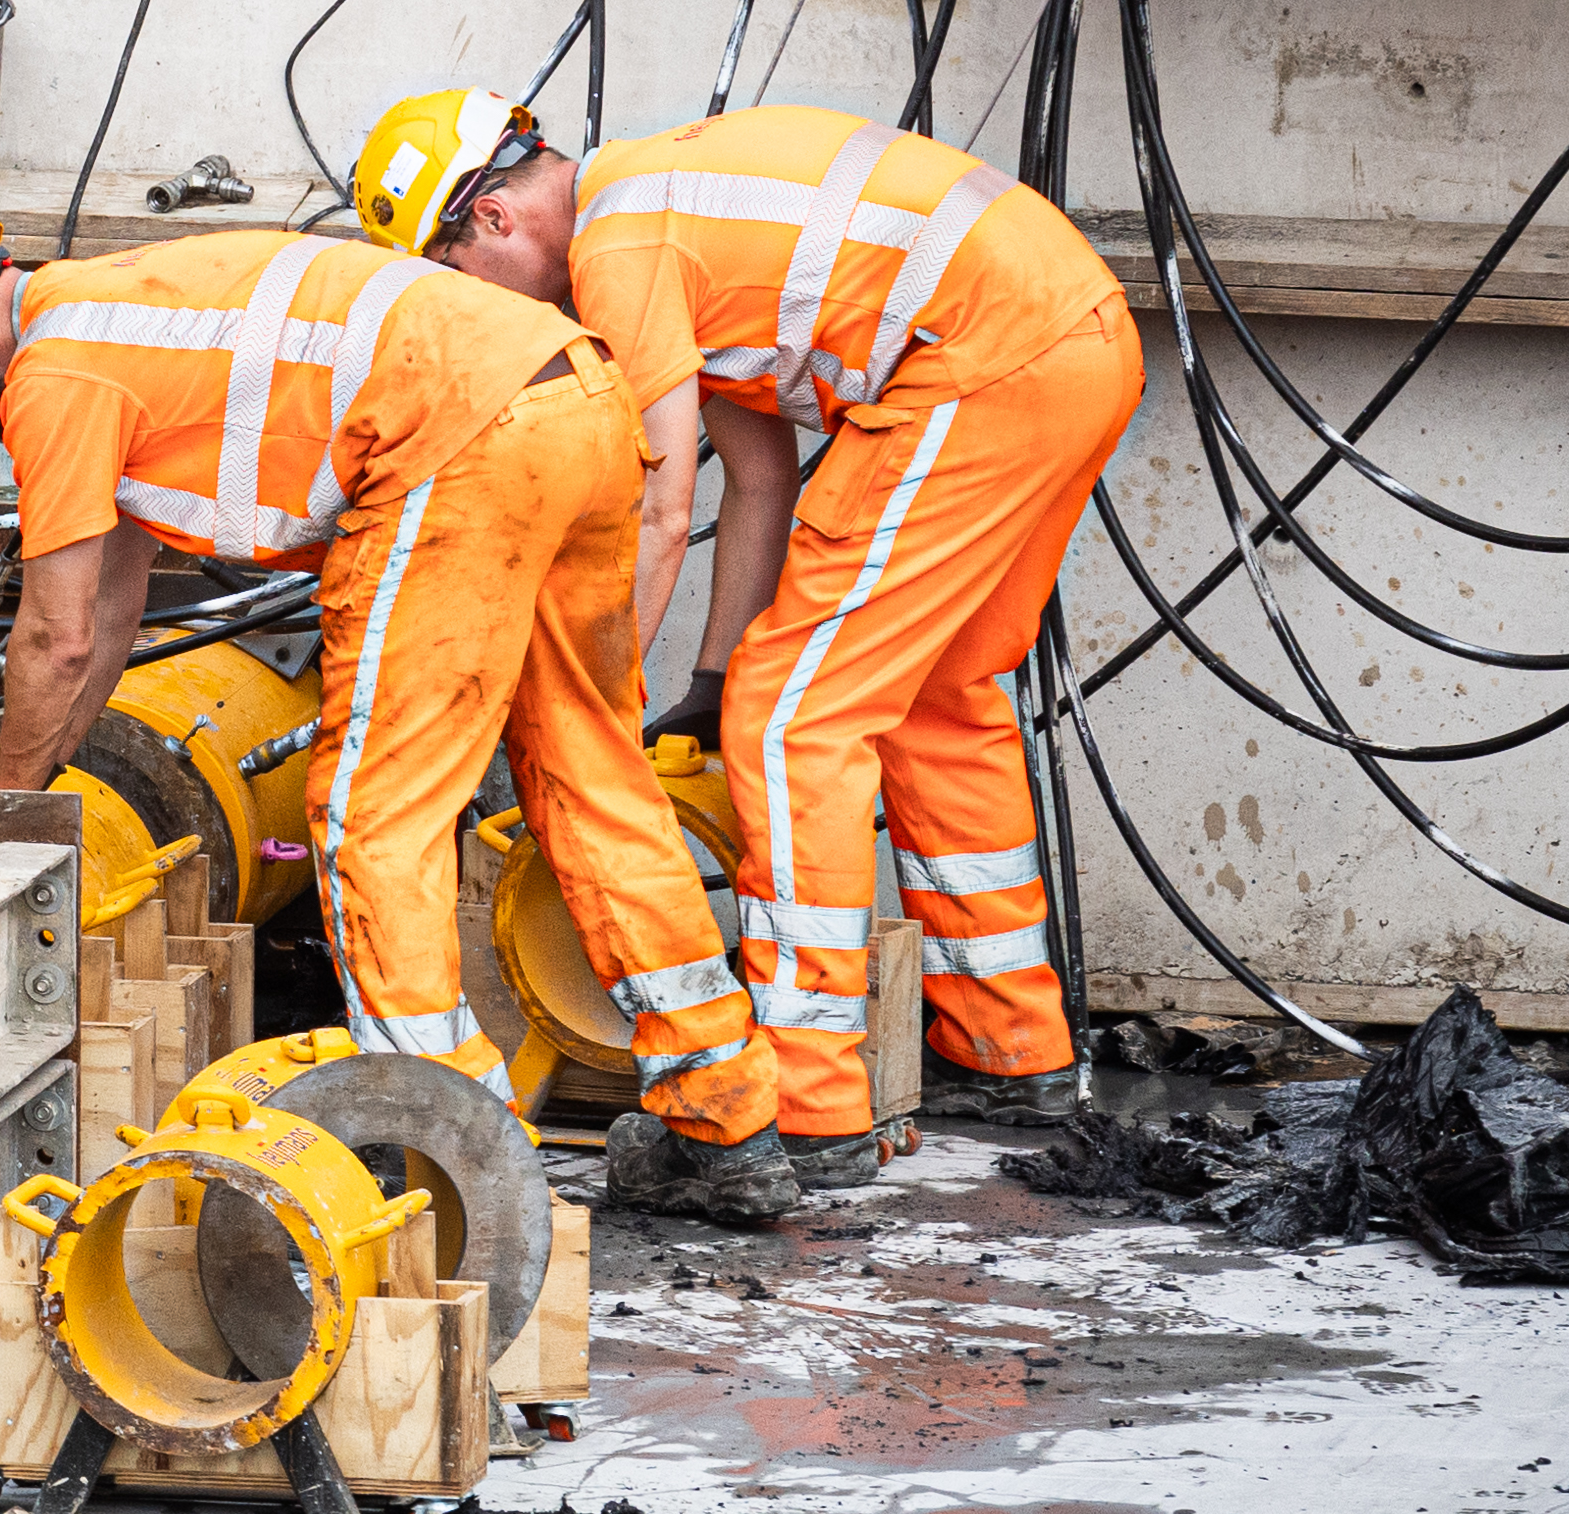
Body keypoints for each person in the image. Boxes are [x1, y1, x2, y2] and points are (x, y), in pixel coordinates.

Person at [0, 185, 779, 1204]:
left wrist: (2, 817)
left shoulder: (57, 374)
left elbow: (51, 637)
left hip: (450, 440)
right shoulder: (111, 323)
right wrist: (41, 780)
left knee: (372, 820)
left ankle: (459, 1167)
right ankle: (723, 1120)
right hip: (576, 401)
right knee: (590, 775)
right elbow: (101, 623)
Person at [353, 90, 1141, 1191]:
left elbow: (662, 510)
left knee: (794, 718)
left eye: (454, 282)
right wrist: (710, 675)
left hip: (986, 356)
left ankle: (812, 1106)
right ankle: (1004, 1048)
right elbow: (756, 473)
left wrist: (601, 718)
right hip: (1070, 338)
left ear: (490, 222)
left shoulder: (623, 248)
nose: (472, 314)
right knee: (933, 692)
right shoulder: (665, 216)